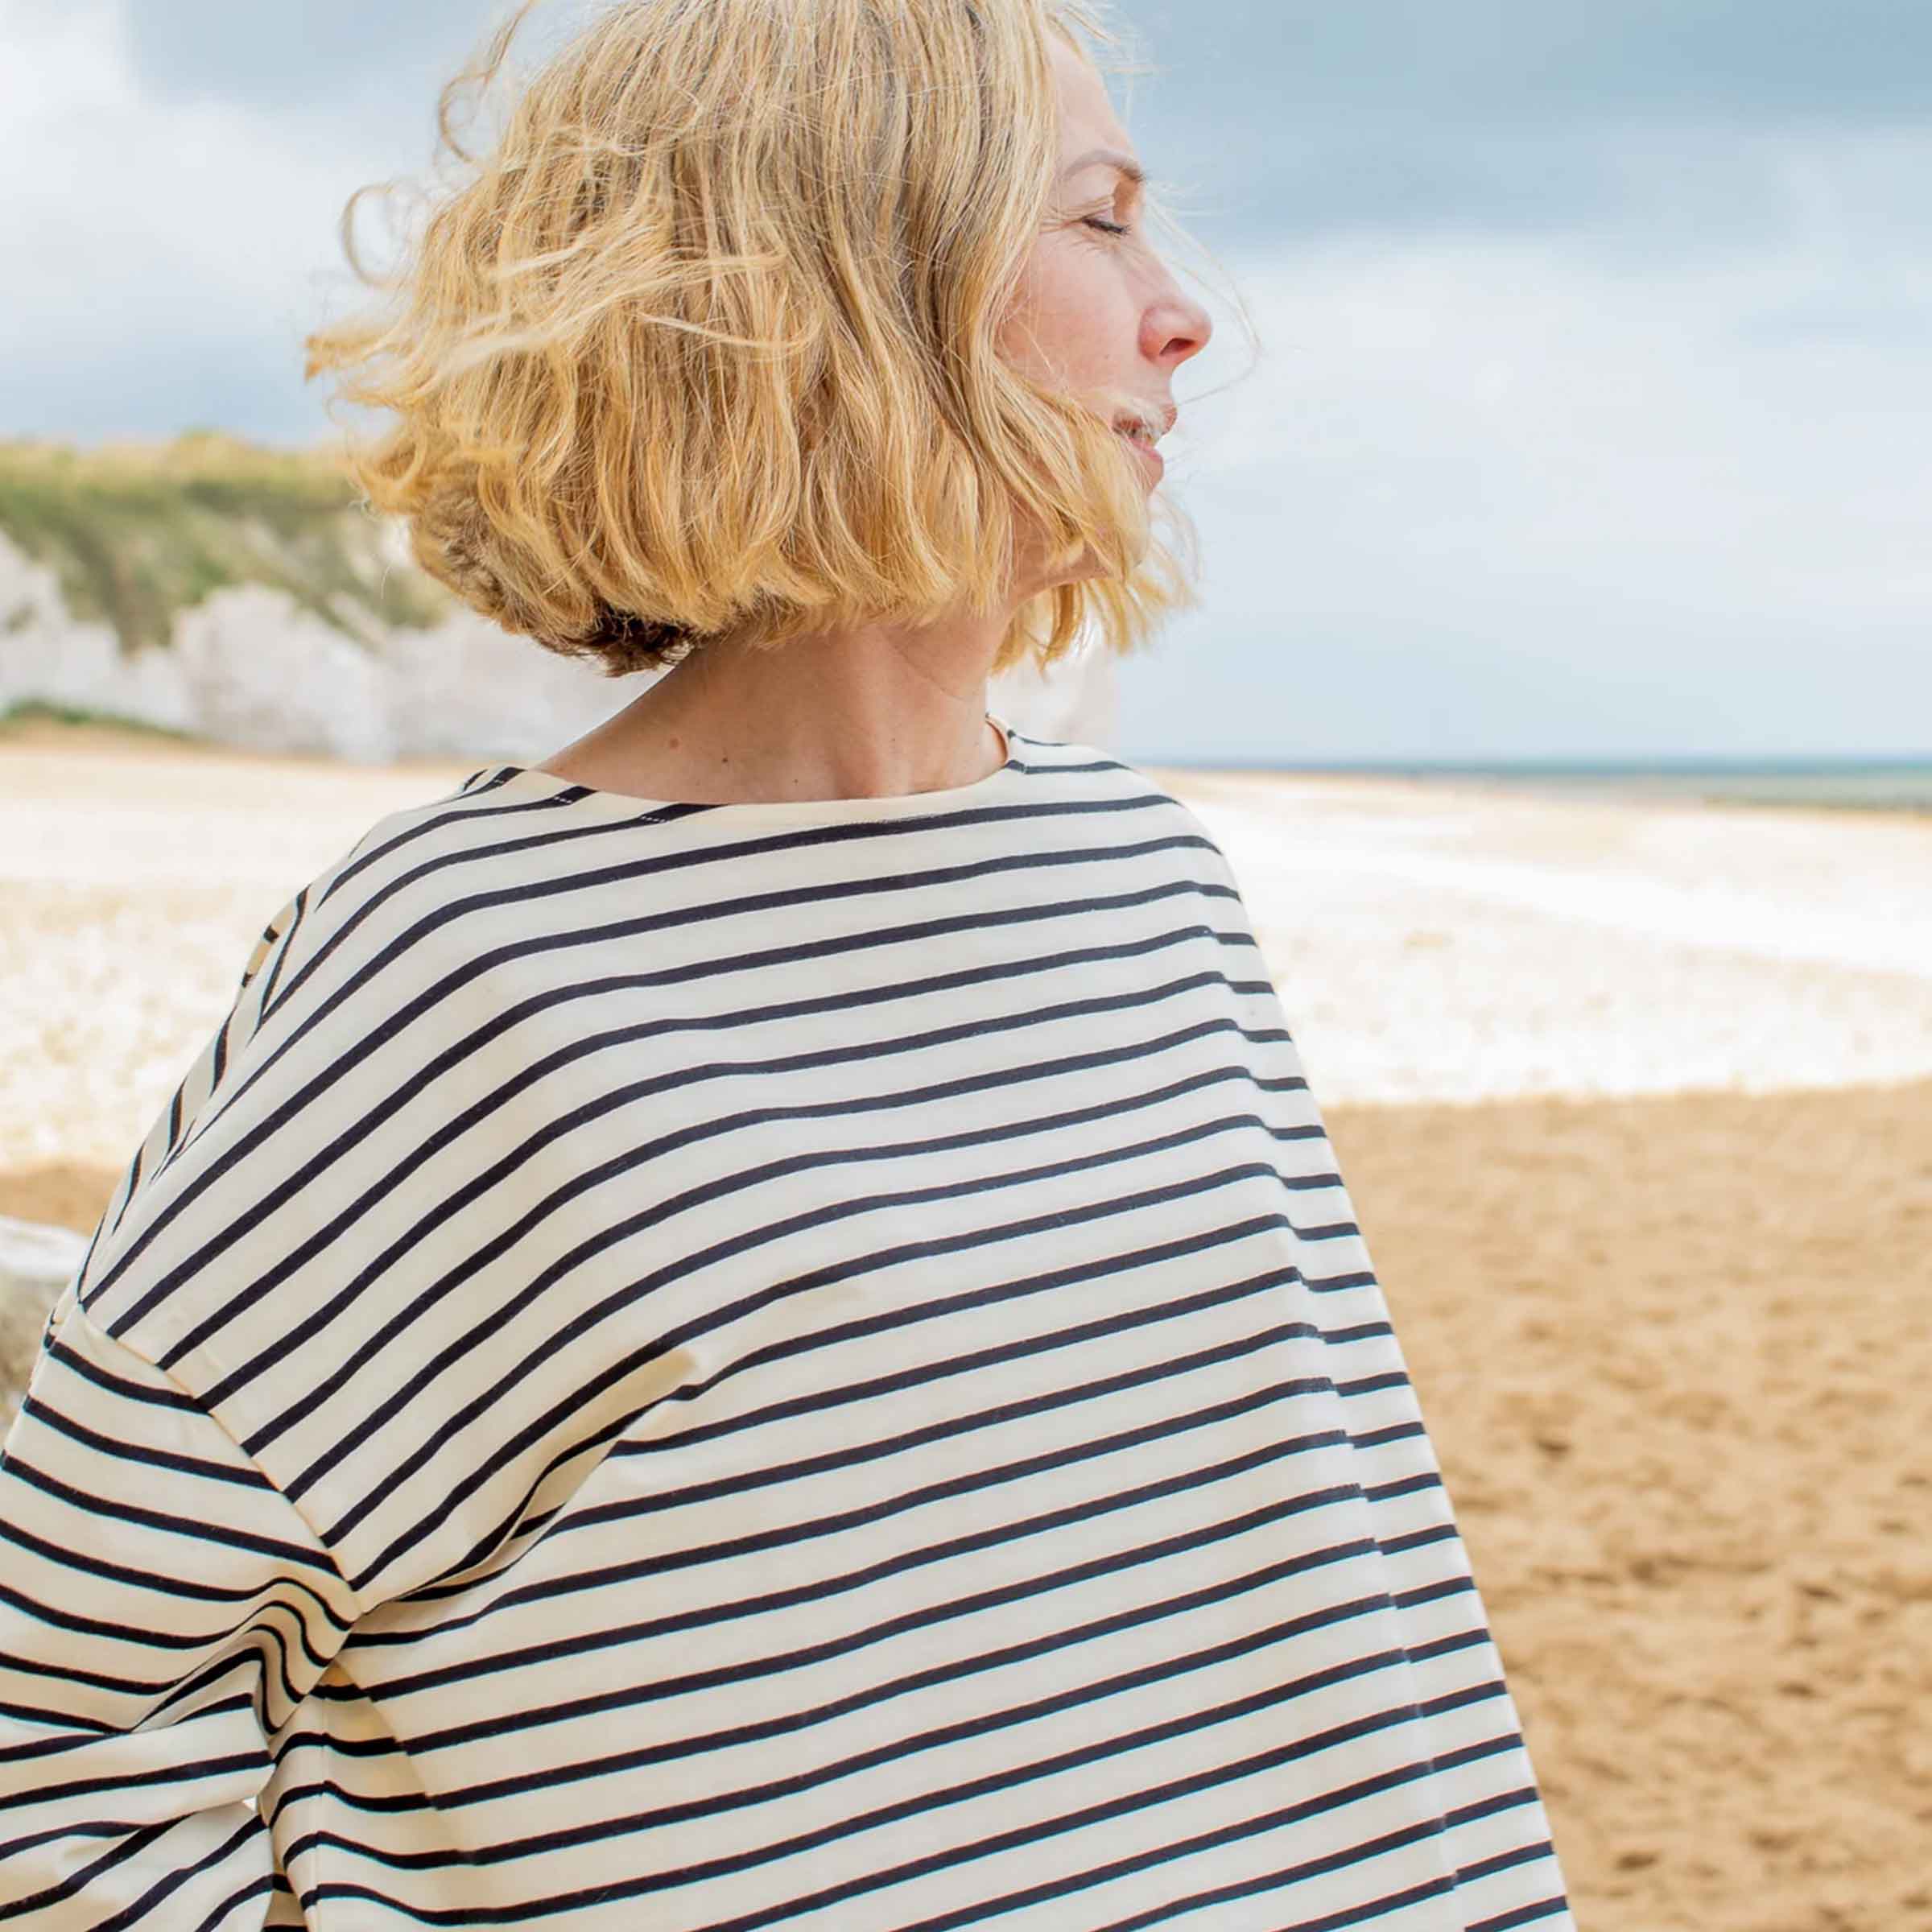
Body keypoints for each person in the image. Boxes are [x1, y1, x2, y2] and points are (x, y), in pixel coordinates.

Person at [0, 2, 1576, 1925]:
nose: (1185, 317)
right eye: (1098, 225)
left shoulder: (1153, 885)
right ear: (845, 294)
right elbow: (56, 1735)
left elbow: (1363, 1652)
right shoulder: (469, 971)